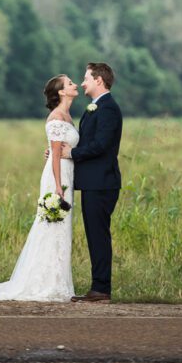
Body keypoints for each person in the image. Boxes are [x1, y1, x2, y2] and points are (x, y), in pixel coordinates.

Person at [0, 74, 79, 302]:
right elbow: (54, 157)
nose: (75, 85)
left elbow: (57, 148)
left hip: (67, 174)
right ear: (61, 92)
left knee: (62, 230)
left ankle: (58, 281)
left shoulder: (67, 116)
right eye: (70, 83)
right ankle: (45, 283)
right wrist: (59, 188)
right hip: (57, 178)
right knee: (53, 227)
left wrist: (52, 152)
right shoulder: (56, 117)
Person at [60, 62, 122, 303]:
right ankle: (99, 287)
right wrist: (59, 151)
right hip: (95, 182)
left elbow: (101, 145)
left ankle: (101, 288)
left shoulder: (107, 108)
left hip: (102, 183)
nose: (82, 82)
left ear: (99, 80)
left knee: (98, 235)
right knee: (95, 234)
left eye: (86, 78)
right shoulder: (97, 107)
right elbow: (88, 140)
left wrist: (72, 154)